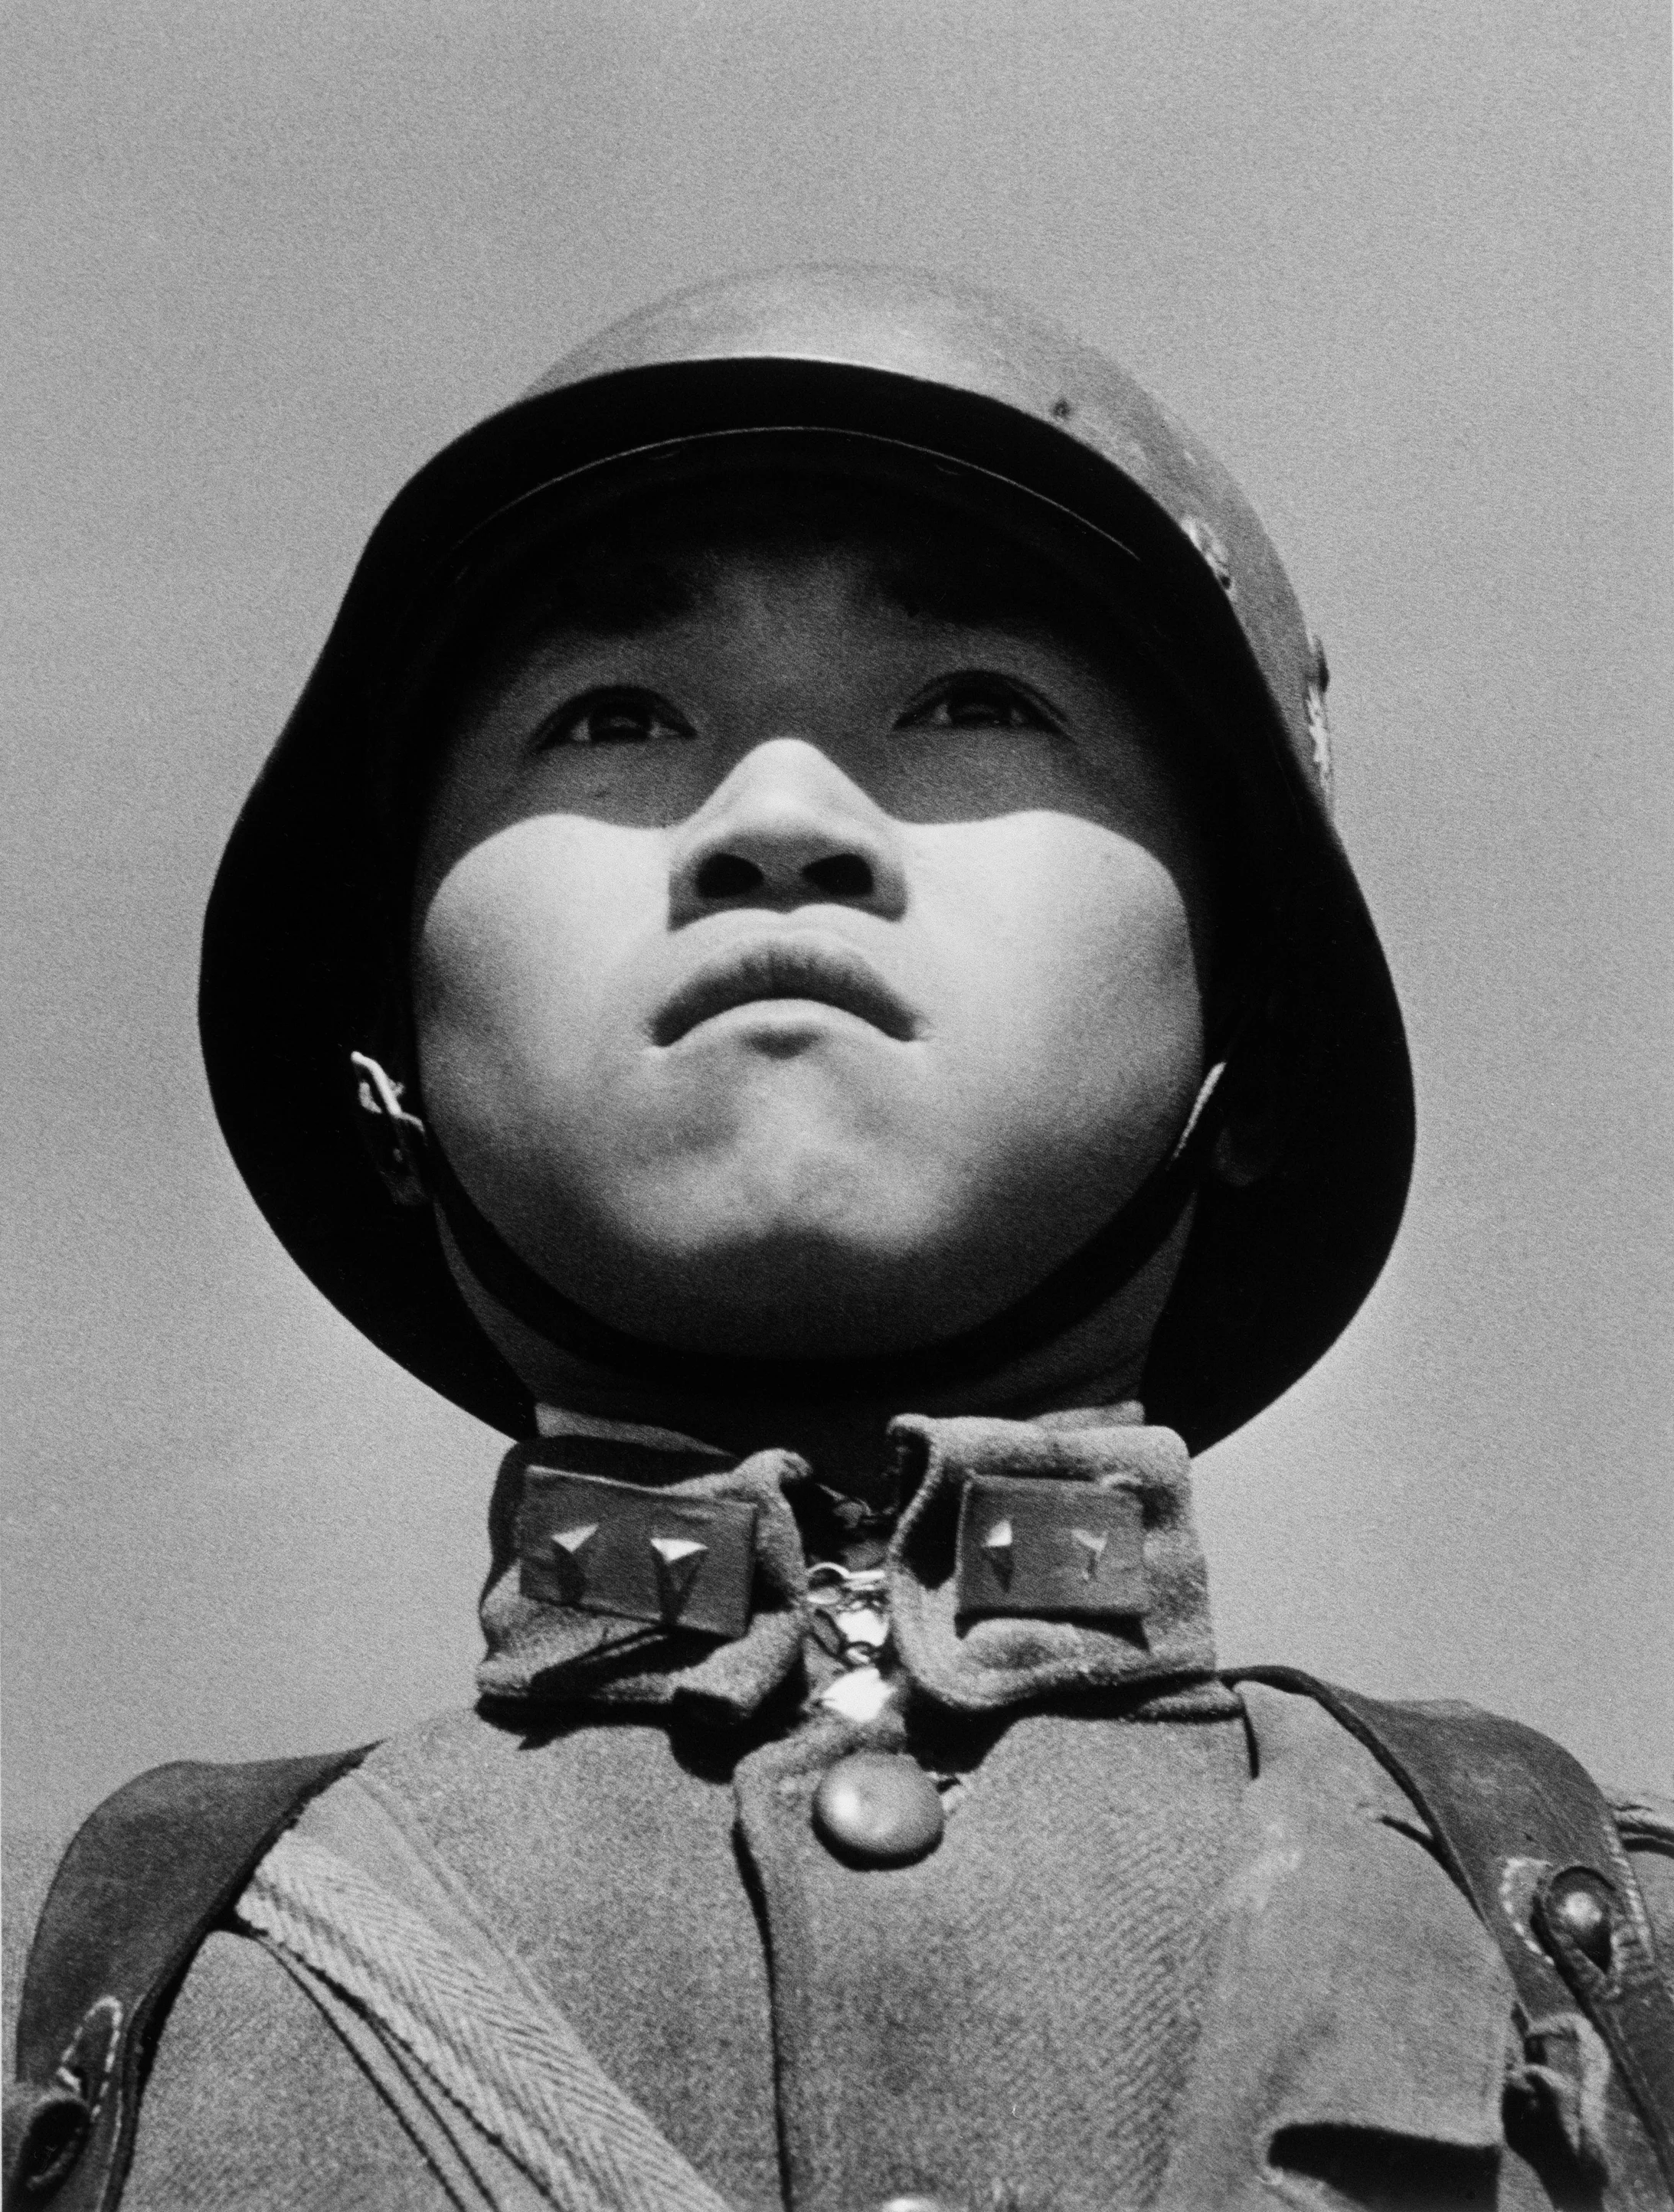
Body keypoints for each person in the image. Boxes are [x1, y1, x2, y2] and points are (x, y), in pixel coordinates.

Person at [5, 267, 1672, 2212]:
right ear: (390, 1067)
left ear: (1254, 1043)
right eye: (609, 715)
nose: (775, 816)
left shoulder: (1582, 1959)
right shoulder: (107, 2022)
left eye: (975, 702)